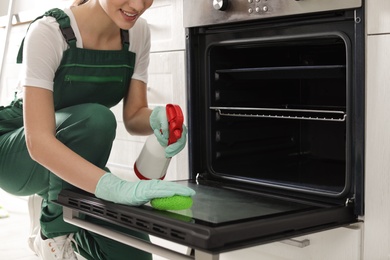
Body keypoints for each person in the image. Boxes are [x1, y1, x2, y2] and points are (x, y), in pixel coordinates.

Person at [0, 0, 195, 259]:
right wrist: (115, 188)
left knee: (135, 254)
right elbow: (39, 141)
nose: (138, 5)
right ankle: (53, 234)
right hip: (17, 153)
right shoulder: (48, 32)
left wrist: (156, 119)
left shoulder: (138, 32)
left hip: (72, 153)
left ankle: (55, 202)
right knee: (97, 120)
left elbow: (134, 115)